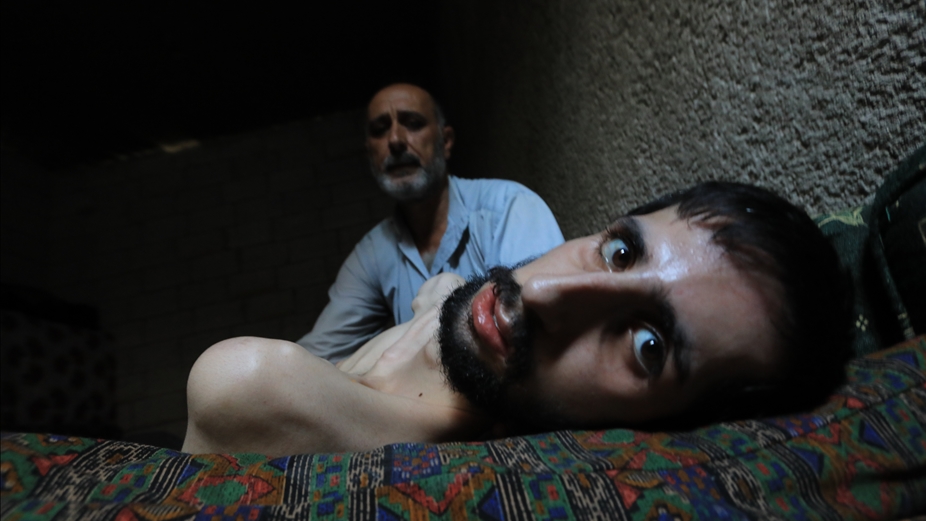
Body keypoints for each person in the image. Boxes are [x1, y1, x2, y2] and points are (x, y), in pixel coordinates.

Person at [182, 182, 853, 457]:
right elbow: (435, 295)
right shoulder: (447, 302)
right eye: (620, 251)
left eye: (648, 346)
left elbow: (241, 386)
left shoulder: (259, 385)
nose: (542, 295)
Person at [297, 83, 565, 364]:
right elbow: (317, 355)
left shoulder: (507, 209)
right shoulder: (372, 254)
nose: (396, 140)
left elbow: (542, 333)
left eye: (413, 124)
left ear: (445, 141)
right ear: (370, 154)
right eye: (380, 130)